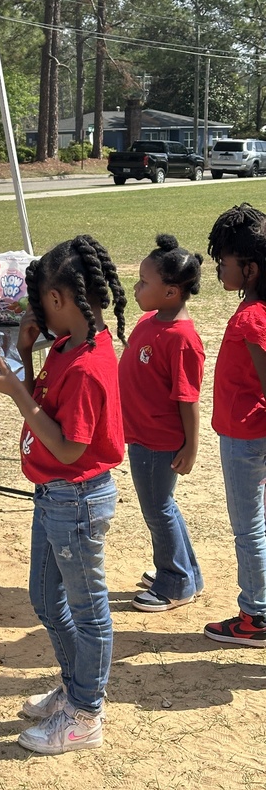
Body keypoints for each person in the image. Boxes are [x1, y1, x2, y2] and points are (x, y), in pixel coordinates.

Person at [0, 235, 126, 755]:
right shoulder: (66, 346)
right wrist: (23, 353)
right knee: (46, 598)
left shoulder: (88, 365)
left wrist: (16, 393)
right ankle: (74, 687)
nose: (38, 311)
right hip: (53, 495)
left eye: (41, 300)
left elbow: (68, 448)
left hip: (77, 498)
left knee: (88, 612)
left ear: (60, 299)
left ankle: (86, 714)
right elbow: (44, 402)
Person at [119, 234, 205, 612]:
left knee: (157, 510)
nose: (136, 288)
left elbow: (188, 399)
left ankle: (174, 583)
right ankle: (187, 574)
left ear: (171, 292)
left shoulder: (182, 339)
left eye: (143, 282)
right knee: (163, 505)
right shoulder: (149, 320)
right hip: (141, 434)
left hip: (158, 442)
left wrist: (191, 447)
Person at [204, 202, 266, 647]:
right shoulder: (254, 309)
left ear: (251, 268)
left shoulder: (251, 317)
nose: (219, 269)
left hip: (247, 437)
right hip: (247, 434)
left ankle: (256, 615)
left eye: (224, 262)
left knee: (249, 528)